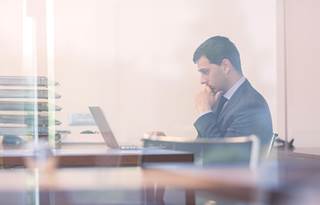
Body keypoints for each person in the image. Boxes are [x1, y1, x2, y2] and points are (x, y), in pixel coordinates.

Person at [193, 36, 273, 147]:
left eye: (205, 72)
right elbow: (200, 151)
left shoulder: (251, 105)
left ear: (225, 66)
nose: (202, 81)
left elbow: (225, 158)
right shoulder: (219, 99)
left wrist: (205, 112)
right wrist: (167, 145)